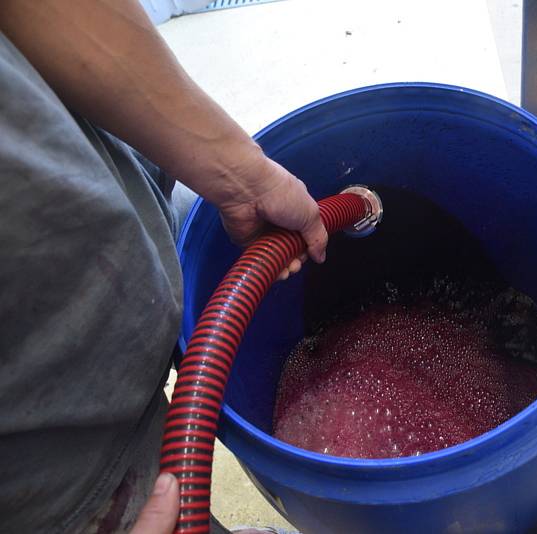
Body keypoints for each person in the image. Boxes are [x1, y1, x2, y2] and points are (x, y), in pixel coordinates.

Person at [0, 1, 327, 532]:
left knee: (170, 484)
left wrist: (242, 177)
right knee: (168, 503)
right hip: (58, 483)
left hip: (120, 210)